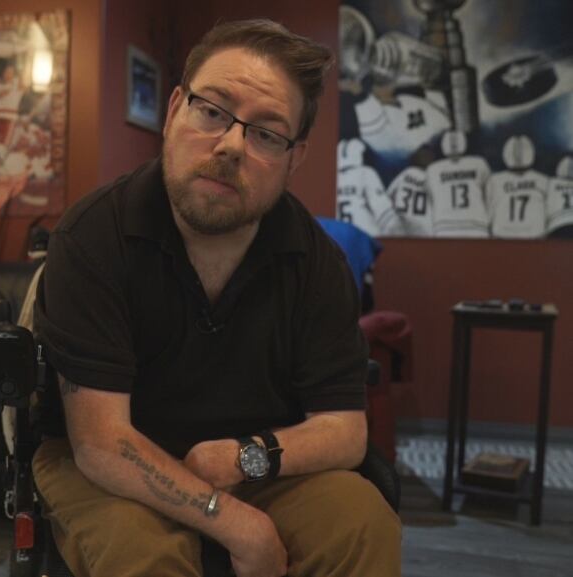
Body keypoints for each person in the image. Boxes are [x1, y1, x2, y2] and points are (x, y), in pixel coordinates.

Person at [32, 19, 401, 577]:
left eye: (266, 134)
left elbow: (346, 432)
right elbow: (103, 444)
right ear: (175, 108)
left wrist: (241, 456)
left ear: (294, 158)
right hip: (113, 459)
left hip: (256, 465)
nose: (231, 145)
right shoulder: (92, 237)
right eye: (212, 111)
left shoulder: (318, 261)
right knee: (143, 556)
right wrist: (232, 521)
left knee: (361, 523)